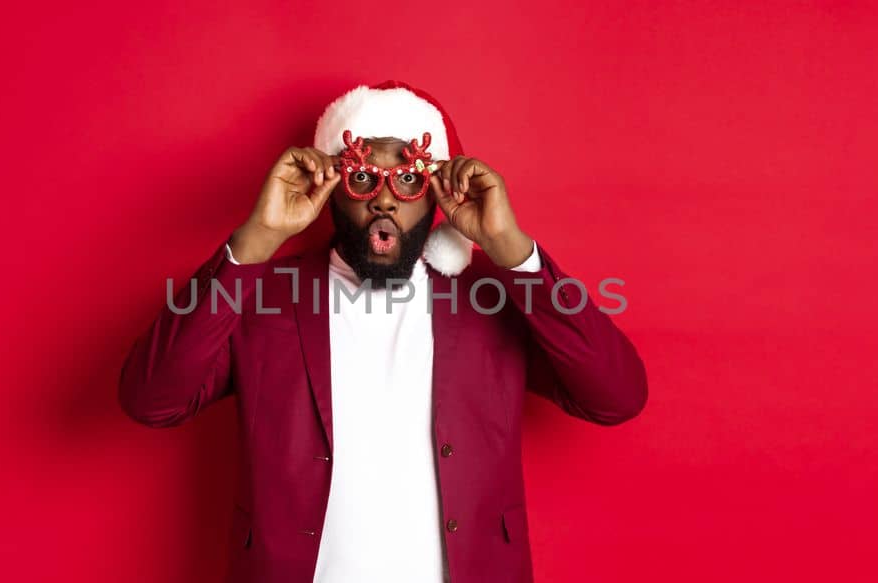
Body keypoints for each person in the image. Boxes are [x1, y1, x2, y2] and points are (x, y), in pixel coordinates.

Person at [119, 80, 648, 583]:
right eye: (363, 177)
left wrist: (512, 250)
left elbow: (616, 396)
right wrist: (256, 240)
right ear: (330, 187)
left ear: (437, 192)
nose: (385, 199)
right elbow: (152, 399)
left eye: (409, 178)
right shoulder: (262, 294)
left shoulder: (491, 296)